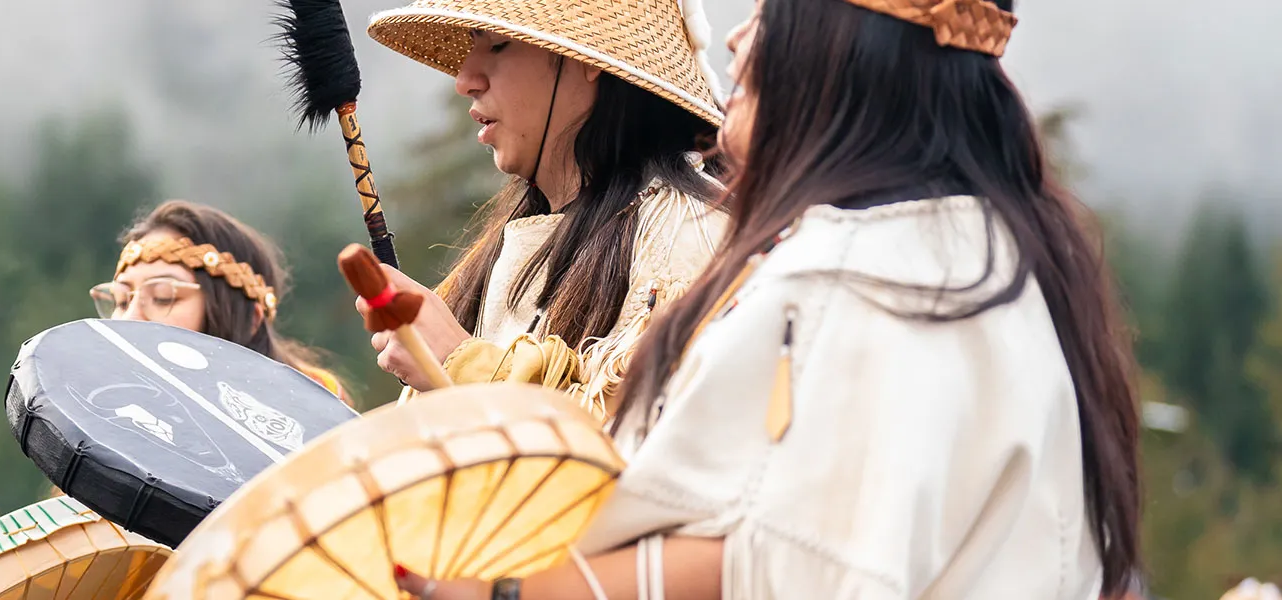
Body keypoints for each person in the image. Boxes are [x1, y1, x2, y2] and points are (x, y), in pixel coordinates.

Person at [391, 0, 1145, 597]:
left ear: (838, 43)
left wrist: (508, 588)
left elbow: (795, 566)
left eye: (770, 6)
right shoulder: (984, 258)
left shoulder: (857, 280)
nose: (736, 37)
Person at [361, 0, 730, 418]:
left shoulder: (688, 236)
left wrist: (459, 362)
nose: (465, 80)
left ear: (587, 57)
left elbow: (635, 452)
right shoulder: (510, 242)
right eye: (470, 45)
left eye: (498, 44)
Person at [97, 199, 352, 405]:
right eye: (121, 301)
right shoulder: (102, 407)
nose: (129, 318)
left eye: (163, 297)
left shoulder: (315, 423)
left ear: (249, 320)